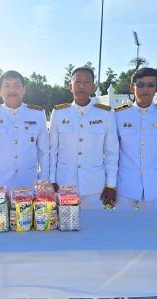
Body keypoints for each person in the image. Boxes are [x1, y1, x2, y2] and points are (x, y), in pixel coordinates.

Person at [49, 67, 119, 209]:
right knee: (64, 225)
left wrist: (110, 184)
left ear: (93, 87)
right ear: (70, 86)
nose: (82, 86)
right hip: (64, 182)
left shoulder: (105, 114)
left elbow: (111, 152)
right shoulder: (59, 113)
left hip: (94, 184)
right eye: (77, 82)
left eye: (86, 82)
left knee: (95, 226)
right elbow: (52, 150)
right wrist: (51, 180)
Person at [114, 67, 157, 209]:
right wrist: (110, 184)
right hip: (125, 184)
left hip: (155, 185)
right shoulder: (118, 114)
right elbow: (112, 152)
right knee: (121, 226)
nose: (145, 89)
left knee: (153, 228)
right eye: (140, 84)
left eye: (150, 85)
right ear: (132, 87)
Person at [0, 70, 49, 198]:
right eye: (7, 86)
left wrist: (43, 184)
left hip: (29, 184)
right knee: (0, 219)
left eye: (16, 85)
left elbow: (43, 151)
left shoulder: (37, 114)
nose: (12, 90)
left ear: (24, 89)